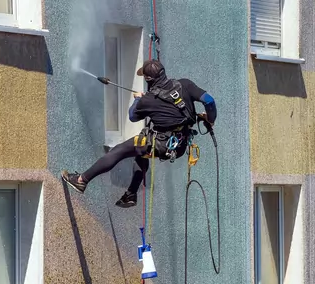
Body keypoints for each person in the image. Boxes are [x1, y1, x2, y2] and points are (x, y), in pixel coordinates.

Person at [61, 59, 217, 207]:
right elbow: (209, 100)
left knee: (119, 150)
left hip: (161, 144)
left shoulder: (147, 100)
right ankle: (131, 194)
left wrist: (137, 99)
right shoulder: (185, 84)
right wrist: (210, 119)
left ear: (149, 80)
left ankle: (82, 180)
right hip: (180, 145)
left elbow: (132, 116)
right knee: (140, 151)